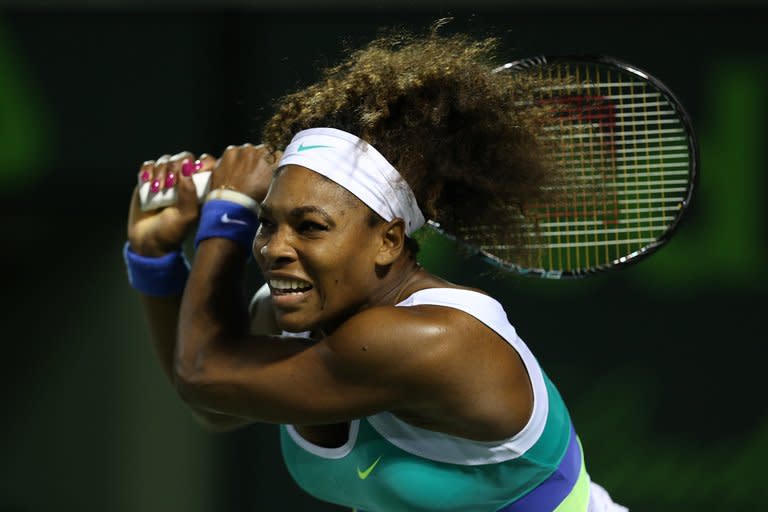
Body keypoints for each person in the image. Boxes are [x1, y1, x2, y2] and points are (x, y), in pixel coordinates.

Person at [124, 27, 628, 512]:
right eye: (266, 223)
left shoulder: (434, 338)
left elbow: (201, 374)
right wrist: (156, 259)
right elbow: (216, 403)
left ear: (388, 241)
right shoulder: (296, 315)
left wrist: (228, 210)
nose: (276, 248)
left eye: (311, 226)